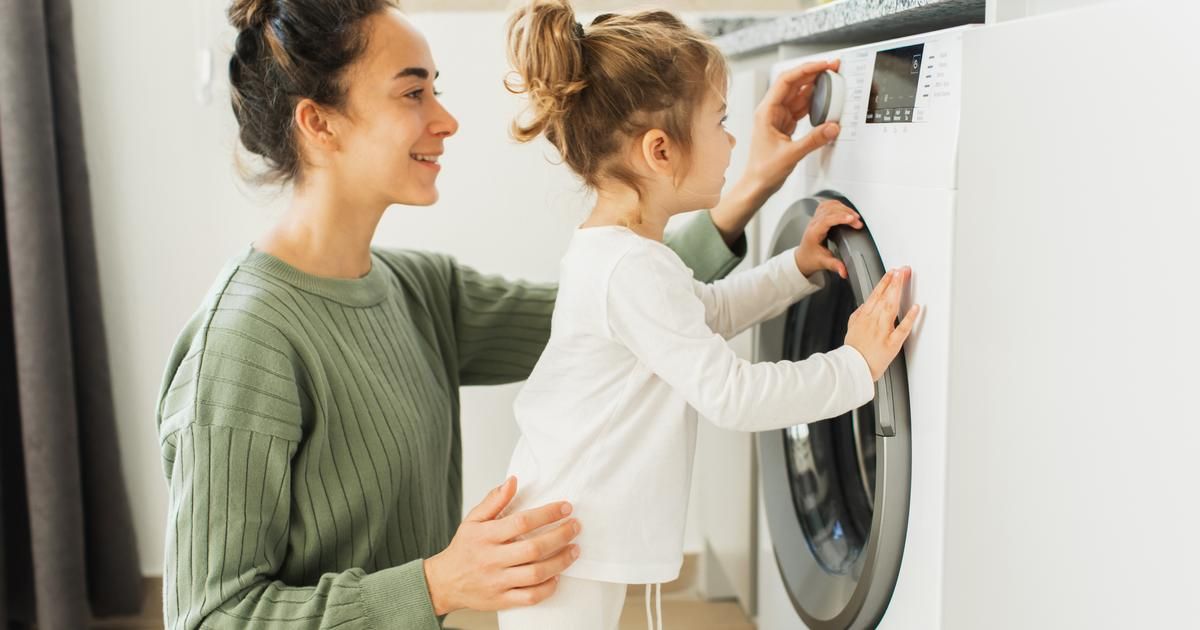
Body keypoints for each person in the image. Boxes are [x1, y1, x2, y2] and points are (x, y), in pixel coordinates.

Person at [155, 0, 851, 628]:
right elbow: (214, 617)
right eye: (413, 91)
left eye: (437, 90)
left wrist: (749, 181)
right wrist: (433, 585)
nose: (447, 119)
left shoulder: (417, 290)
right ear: (319, 124)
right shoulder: (243, 347)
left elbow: (621, 322)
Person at [495, 2, 918, 629]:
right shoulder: (630, 269)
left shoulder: (628, 254)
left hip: (563, 529)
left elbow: (707, 311)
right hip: (556, 546)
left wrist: (794, 271)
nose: (731, 140)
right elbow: (734, 396)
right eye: (720, 122)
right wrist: (855, 367)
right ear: (660, 151)